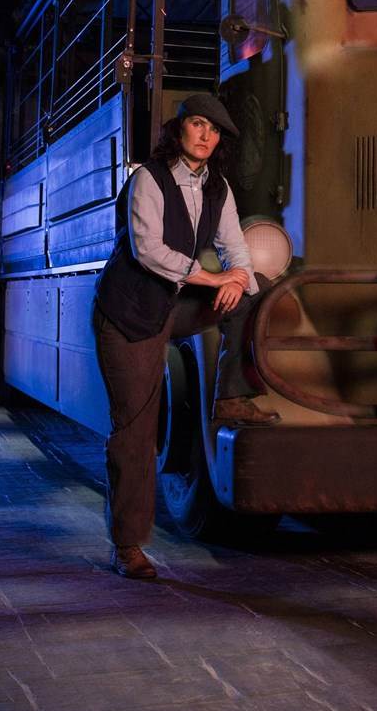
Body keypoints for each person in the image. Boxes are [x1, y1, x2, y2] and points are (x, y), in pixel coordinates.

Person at [93, 93, 277, 579]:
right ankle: (128, 545)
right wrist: (215, 279)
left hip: (173, 306)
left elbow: (235, 247)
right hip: (130, 314)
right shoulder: (148, 180)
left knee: (259, 290)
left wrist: (237, 277)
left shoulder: (217, 186)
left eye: (214, 131)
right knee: (135, 429)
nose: (206, 136)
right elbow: (148, 250)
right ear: (179, 130)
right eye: (198, 124)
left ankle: (231, 397)